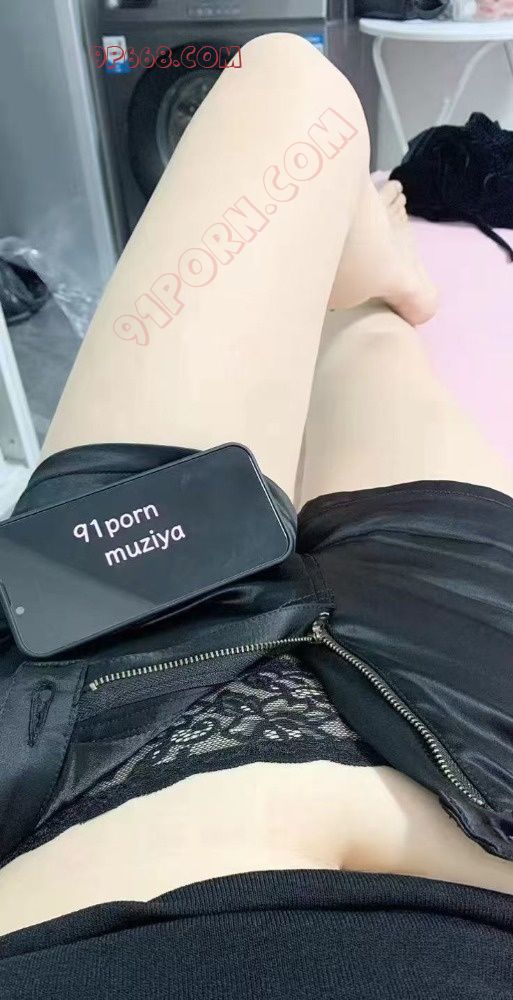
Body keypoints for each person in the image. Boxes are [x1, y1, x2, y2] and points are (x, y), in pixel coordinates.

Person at [1, 32, 512, 997]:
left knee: (282, 76)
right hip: (486, 807)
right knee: (362, 325)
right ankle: (362, 295)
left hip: (69, 756)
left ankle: (358, 286)